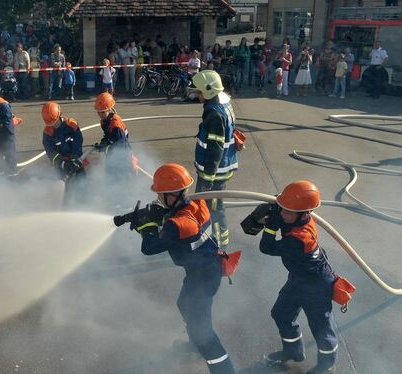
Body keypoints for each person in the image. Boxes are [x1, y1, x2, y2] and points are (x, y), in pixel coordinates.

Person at [131, 163, 236, 374]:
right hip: (204, 269)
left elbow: (148, 248)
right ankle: (195, 346)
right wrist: (160, 216)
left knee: (203, 331)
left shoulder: (176, 225)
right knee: (183, 304)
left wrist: (147, 226)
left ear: (174, 195)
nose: (159, 199)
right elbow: (181, 223)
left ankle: (224, 370)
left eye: (162, 195)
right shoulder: (196, 204)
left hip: (203, 276)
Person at [258, 181, 340, 374]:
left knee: (321, 327)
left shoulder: (299, 238)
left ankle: (328, 365)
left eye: (287, 212)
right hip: (299, 279)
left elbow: (266, 248)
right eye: (282, 209)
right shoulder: (297, 218)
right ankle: (293, 351)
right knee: (281, 313)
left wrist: (271, 227)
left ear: (303, 213)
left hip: (317, 285)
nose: (282, 214)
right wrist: (280, 210)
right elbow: (287, 211)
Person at [189, 71, 239, 249]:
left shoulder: (214, 114)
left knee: (215, 211)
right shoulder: (222, 102)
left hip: (215, 173)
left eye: (199, 92)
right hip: (215, 170)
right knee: (201, 206)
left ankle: (221, 247)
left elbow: (215, 150)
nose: (197, 95)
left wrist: (208, 181)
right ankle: (204, 237)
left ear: (209, 91)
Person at [41, 101, 86, 206]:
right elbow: (51, 152)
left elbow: (78, 142)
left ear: (60, 115)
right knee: (64, 191)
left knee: (82, 184)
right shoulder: (47, 132)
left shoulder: (72, 125)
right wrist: (62, 163)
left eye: (54, 122)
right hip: (60, 164)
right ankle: (65, 209)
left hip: (76, 160)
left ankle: (84, 204)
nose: (53, 125)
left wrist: (75, 158)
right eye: (51, 123)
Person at [93, 92, 133, 208]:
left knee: (120, 181)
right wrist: (103, 142)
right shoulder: (105, 121)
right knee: (110, 179)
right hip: (113, 155)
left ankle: (126, 206)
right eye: (98, 112)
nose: (99, 114)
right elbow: (108, 136)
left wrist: (105, 146)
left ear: (108, 109)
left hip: (122, 156)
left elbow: (120, 145)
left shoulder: (115, 123)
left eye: (101, 112)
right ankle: (114, 202)